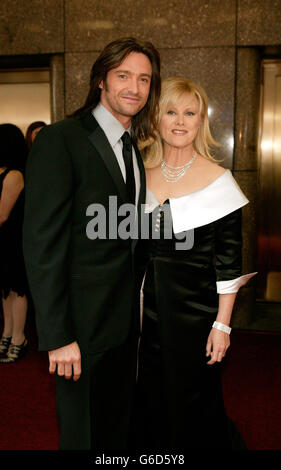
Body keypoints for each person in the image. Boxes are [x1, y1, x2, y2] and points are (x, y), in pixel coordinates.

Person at [23, 37, 161, 450]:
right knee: (82, 436)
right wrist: (58, 335)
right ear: (101, 79)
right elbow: (41, 244)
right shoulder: (61, 139)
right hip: (78, 329)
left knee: (114, 430)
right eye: (123, 76)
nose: (134, 88)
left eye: (144, 79)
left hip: (123, 327)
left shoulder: (133, 149)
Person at [133, 77, 257, 450]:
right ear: (156, 119)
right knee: (146, 395)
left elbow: (230, 264)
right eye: (171, 111)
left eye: (190, 112)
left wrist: (222, 326)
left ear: (201, 121)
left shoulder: (220, 181)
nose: (180, 121)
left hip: (194, 313)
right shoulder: (138, 174)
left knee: (191, 400)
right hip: (140, 312)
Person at [0, 124, 29, 364]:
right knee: (5, 289)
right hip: (3, 240)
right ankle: (7, 333)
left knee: (17, 289)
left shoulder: (14, 175)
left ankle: (19, 338)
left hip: (13, 240)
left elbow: (2, 215)